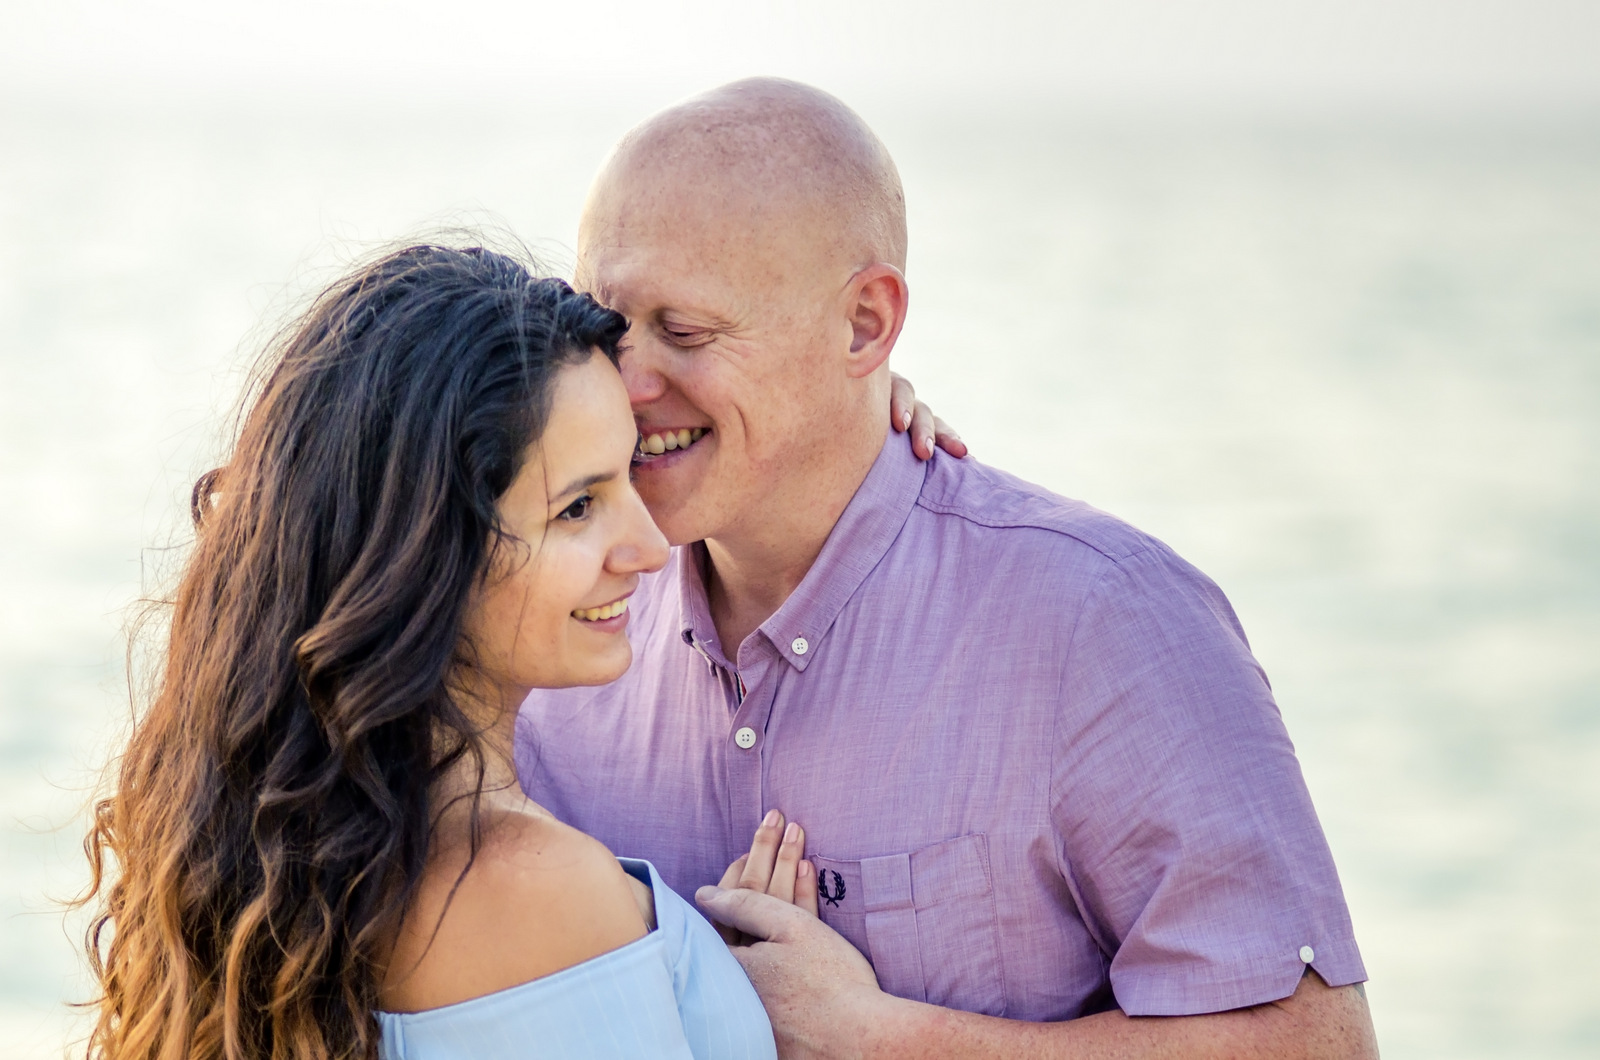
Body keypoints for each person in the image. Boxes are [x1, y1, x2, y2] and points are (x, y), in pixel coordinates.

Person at [517, 78, 1381, 1058]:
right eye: (606, 324)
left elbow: (1317, 1046)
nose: (629, 383)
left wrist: (873, 1037)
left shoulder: (1102, 619)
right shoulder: (545, 627)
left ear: (864, 325)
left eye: (686, 332)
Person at [80, 244, 845, 1060]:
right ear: (425, 552)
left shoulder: (302, 846)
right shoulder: (526, 889)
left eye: (631, 470)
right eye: (579, 507)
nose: (650, 547)